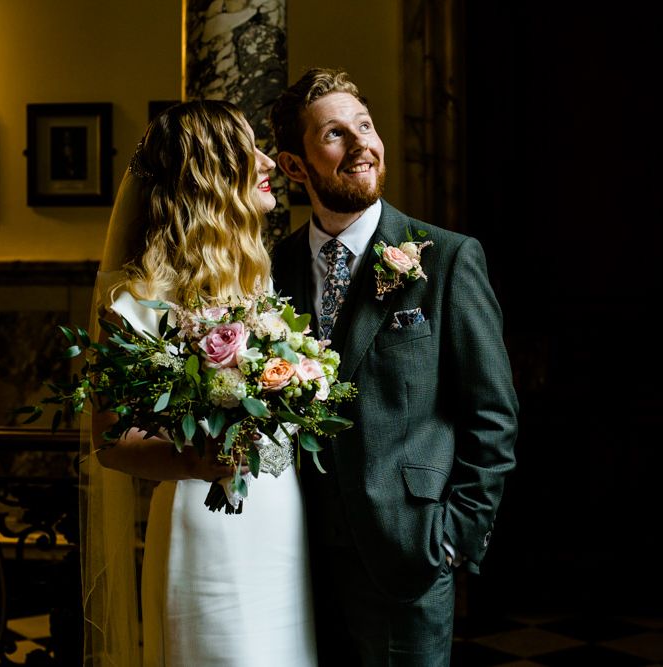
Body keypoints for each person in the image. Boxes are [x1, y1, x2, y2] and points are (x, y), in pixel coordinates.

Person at [270, 68, 519, 666]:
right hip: (291, 560)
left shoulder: (449, 258)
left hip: (407, 557)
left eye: (366, 125)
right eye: (335, 133)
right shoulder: (271, 269)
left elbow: (493, 416)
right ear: (295, 166)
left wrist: (453, 539)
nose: (362, 145)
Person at [82, 100, 317, 666]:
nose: (267, 161)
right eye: (248, 151)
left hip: (283, 523)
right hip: (210, 528)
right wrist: (194, 461)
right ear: (210, 177)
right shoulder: (136, 300)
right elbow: (111, 442)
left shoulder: (258, 281)